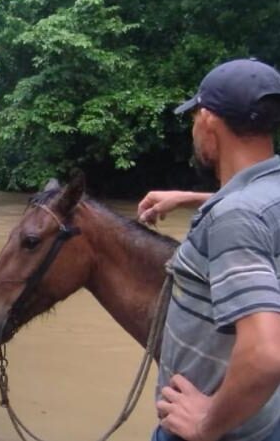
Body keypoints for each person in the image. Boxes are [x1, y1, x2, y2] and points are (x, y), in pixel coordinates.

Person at [137, 59, 280, 441]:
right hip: (266, 418)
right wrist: (191, 198)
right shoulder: (267, 192)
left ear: (207, 119)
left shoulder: (234, 219)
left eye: (194, 118)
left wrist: (206, 423)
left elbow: (266, 354)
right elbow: (257, 209)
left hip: (218, 432)